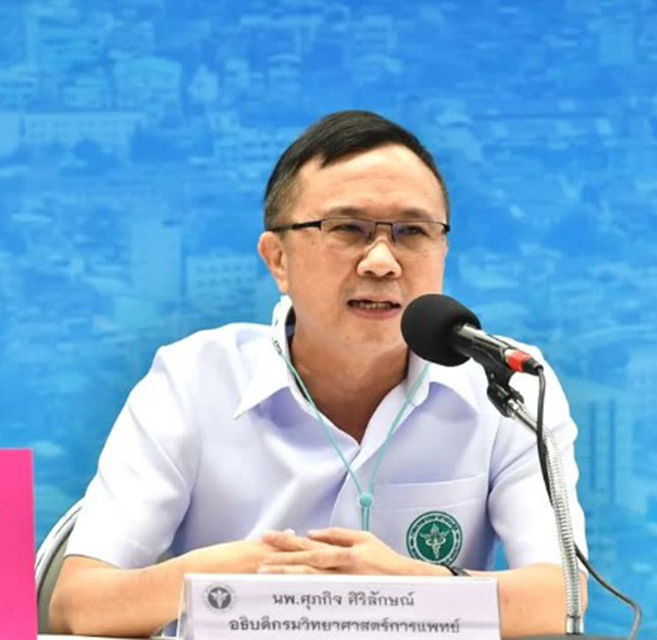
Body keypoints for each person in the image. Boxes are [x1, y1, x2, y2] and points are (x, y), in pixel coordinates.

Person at [49, 111, 588, 637]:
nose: (382, 262)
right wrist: (230, 577)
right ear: (277, 259)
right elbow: (78, 604)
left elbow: (561, 597)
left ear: (443, 249)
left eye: (412, 231)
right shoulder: (193, 380)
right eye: (347, 229)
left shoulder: (507, 384)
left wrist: (408, 586)